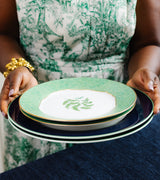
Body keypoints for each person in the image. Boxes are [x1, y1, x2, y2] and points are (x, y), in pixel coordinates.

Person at [0, 0, 160, 171]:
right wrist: (17, 67)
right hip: (34, 113)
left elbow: (149, 42)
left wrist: (144, 70)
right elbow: (3, 34)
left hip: (117, 117)